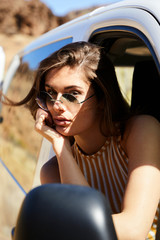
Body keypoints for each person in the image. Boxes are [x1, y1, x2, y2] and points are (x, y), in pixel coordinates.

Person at [2, 42, 160, 239]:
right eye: (50, 93)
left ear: (102, 99)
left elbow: (133, 231)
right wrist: (60, 145)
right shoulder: (53, 170)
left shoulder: (139, 131)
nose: (57, 105)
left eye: (72, 94)